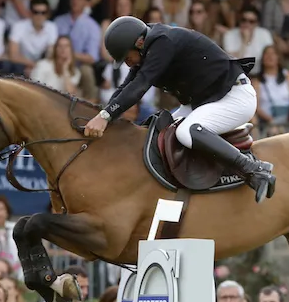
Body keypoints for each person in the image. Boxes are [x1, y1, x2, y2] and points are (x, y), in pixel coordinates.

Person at [84, 15, 276, 203]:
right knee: (159, 133)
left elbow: (140, 86)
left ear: (139, 43)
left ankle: (254, 170)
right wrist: (103, 114)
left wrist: (106, 116)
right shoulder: (147, 45)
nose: (128, 64)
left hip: (234, 96)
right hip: (207, 100)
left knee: (187, 132)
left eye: (127, 58)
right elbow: (125, 87)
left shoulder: (163, 43)